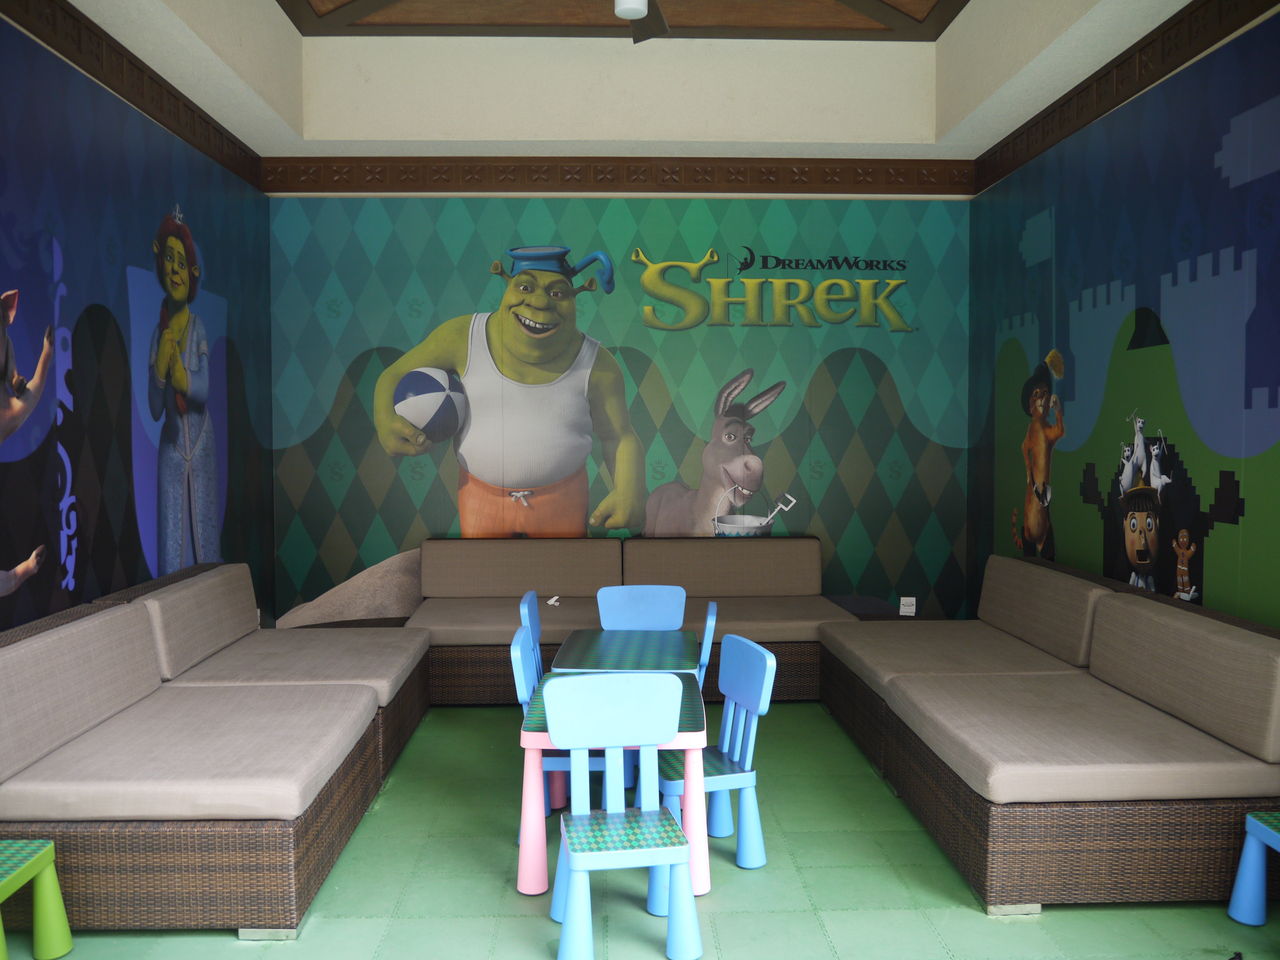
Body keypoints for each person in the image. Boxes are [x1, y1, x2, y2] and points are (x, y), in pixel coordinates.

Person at [374, 245, 645, 537]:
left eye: (557, 293)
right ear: (507, 285)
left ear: (575, 297)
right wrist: (385, 421)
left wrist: (629, 491)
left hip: (562, 503)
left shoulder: (598, 363)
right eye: (525, 287)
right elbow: (393, 375)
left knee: (564, 566)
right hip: (480, 500)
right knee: (483, 566)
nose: (539, 302)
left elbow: (619, 436)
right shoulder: (462, 336)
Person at [148, 209, 220, 573]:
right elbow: (155, 408)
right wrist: (160, 372)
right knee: (170, 543)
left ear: (191, 273)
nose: (175, 270)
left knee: (206, 538)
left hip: (201, 439)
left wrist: (179, 375)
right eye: (169, 260)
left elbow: (202, 389)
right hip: (172, 444)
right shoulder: (158, 336)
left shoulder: (198, 326)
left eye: (182, 262)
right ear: (160, 264)